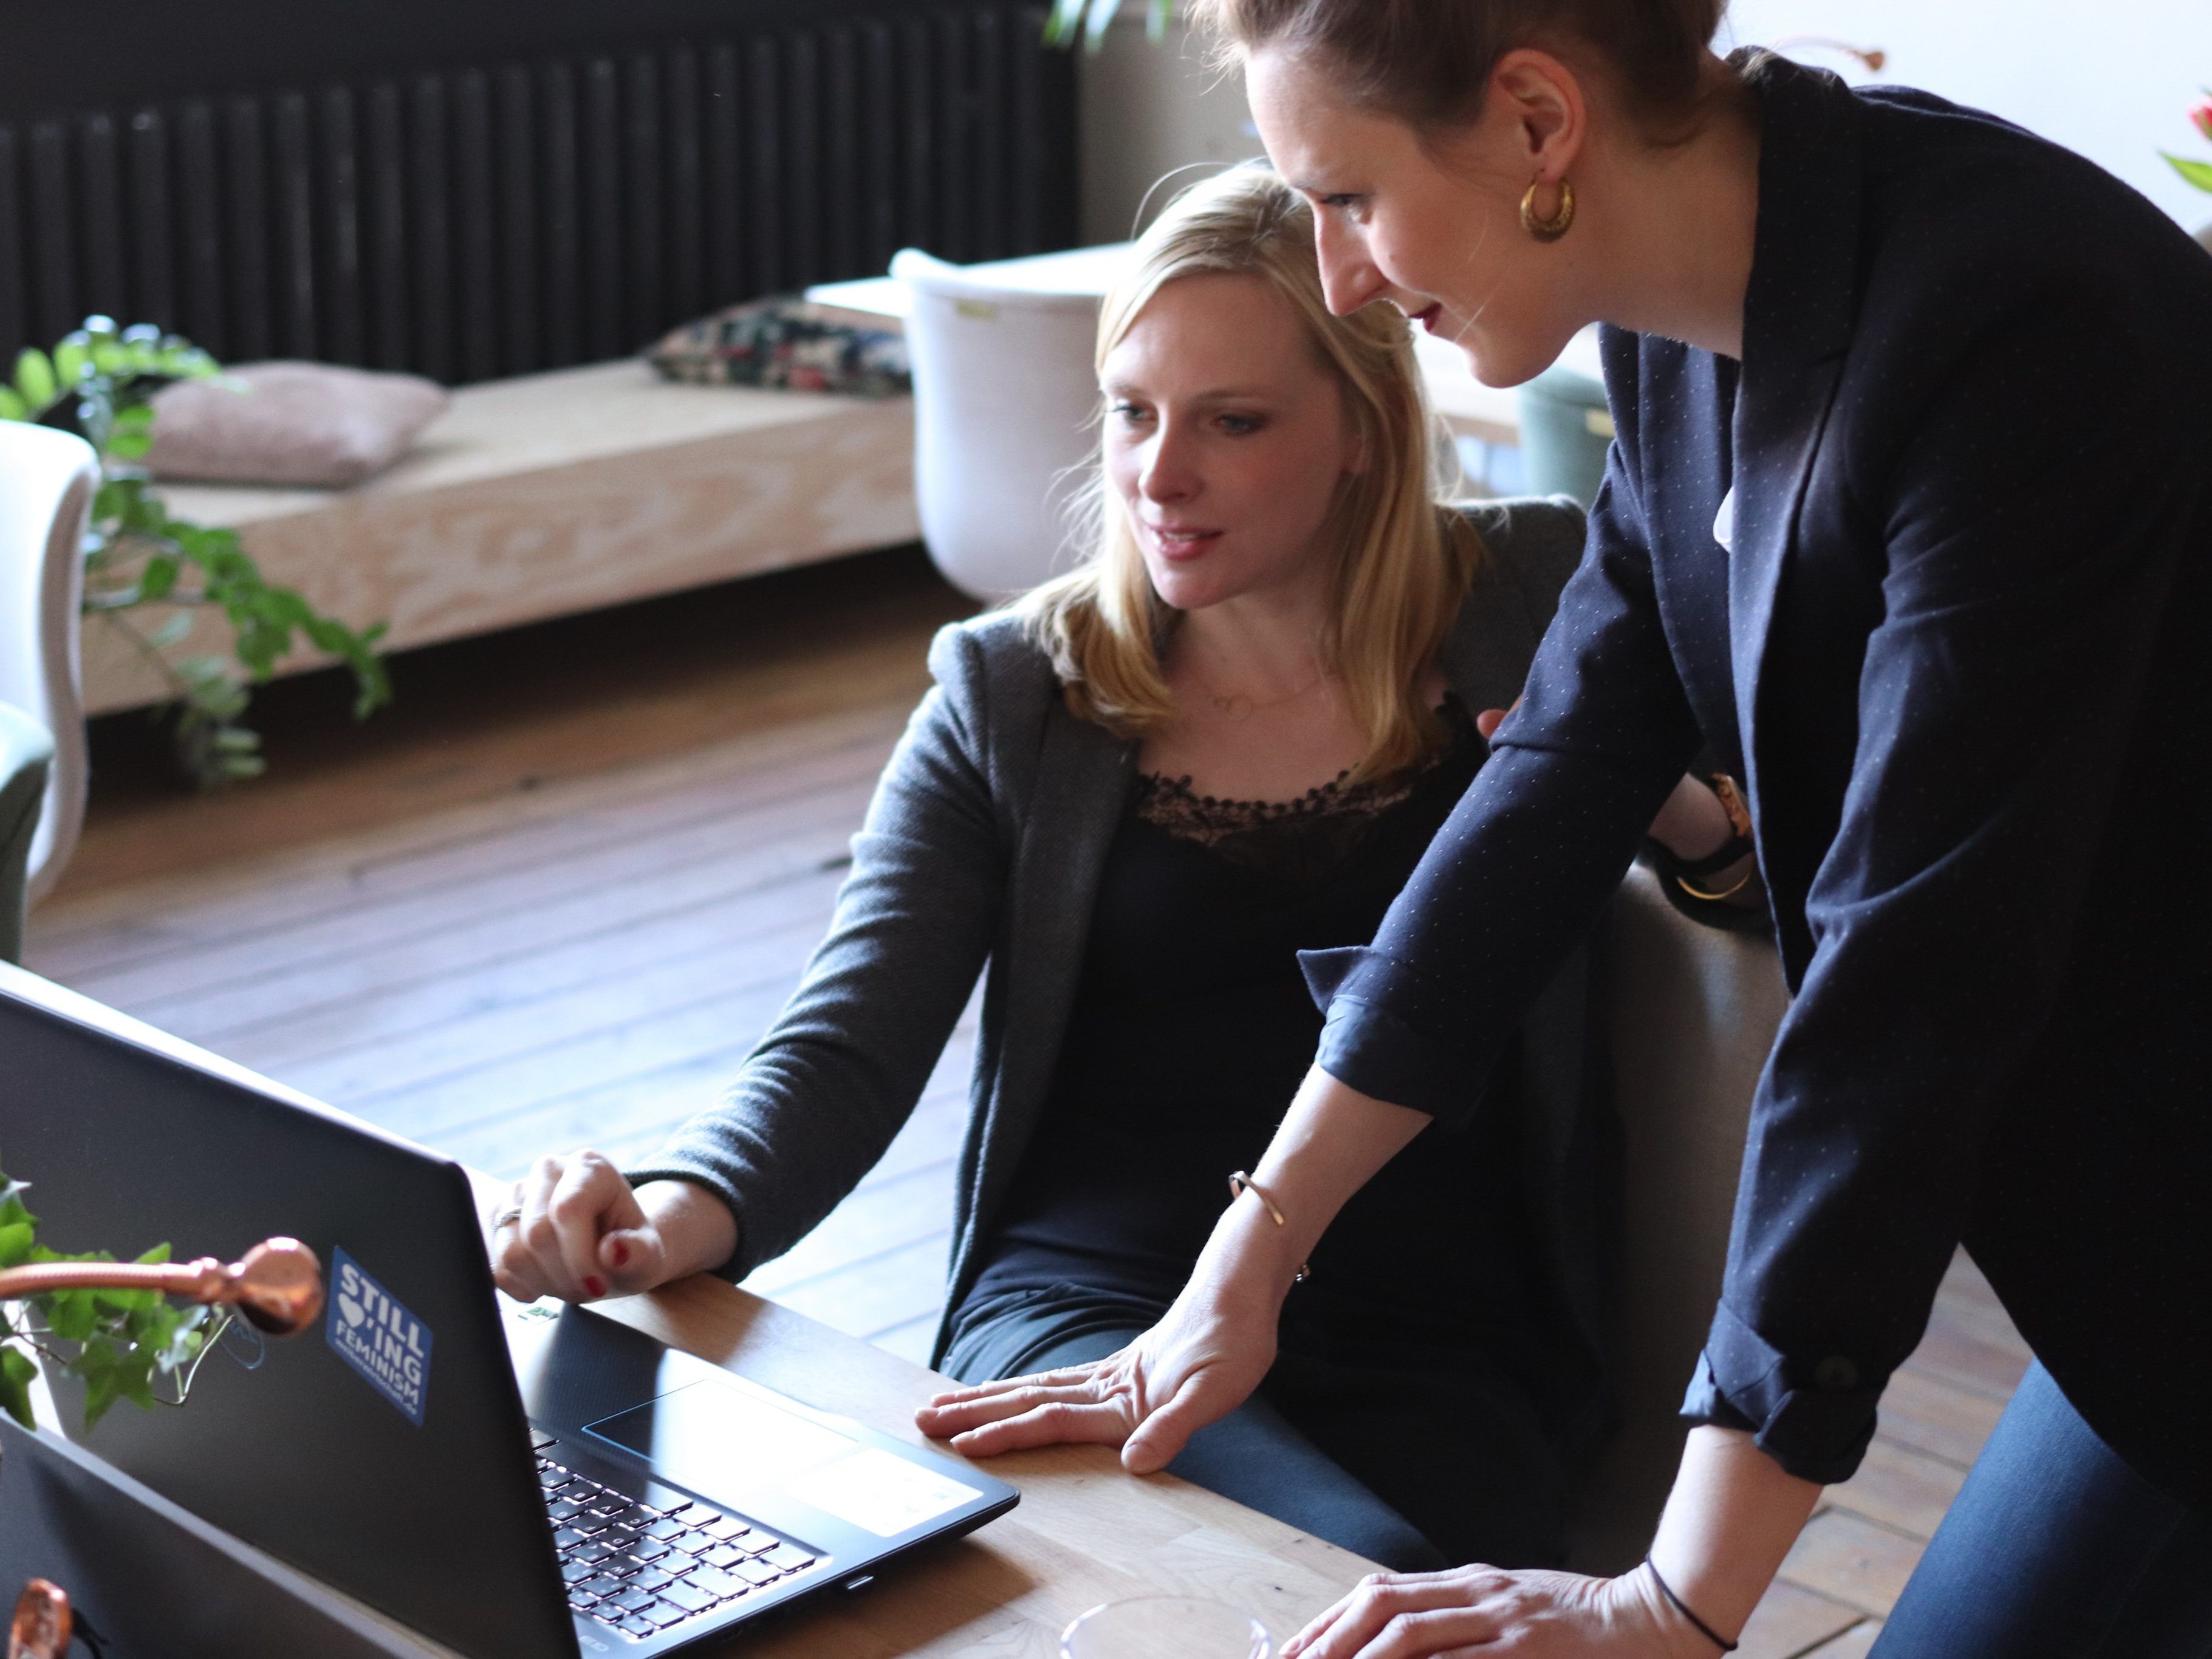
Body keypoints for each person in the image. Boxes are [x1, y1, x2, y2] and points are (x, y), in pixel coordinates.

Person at [920, 5, 2212, 1658]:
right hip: (2134, 1239)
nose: (1340, 281)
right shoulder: (1689, 329)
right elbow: (1553, 777)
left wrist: (1671, 1603)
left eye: (1350, 198)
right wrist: (1248, 1257)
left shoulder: (2015, 321)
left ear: (1538, 122)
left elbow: (1913, 981)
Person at [490, 165, 1748, 1572]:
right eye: (1133, 411)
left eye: (1233, 421)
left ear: (1363, 429)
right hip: (1090, 1308)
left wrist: (1674, 813)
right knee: (1328, 1573)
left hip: (1443, 1331)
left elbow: (1770, 893)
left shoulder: (1535, 596)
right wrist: (665, 1217)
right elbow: (845, 1042)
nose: (1159, 474)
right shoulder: (1018, 689)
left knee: (1376, 1577)